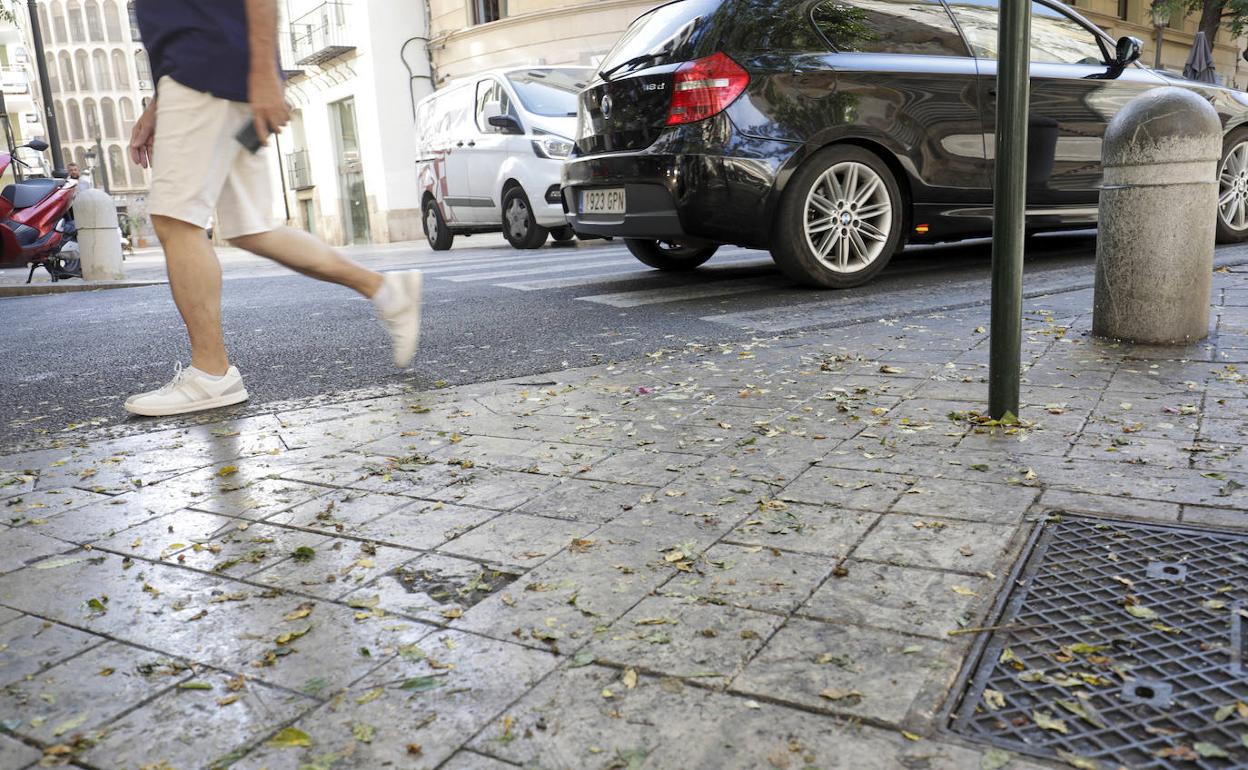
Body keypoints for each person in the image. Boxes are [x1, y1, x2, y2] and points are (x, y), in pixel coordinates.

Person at [125, 0, 422, 417]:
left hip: (205, 74)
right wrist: (161, 102)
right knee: (252, 227)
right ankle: (386, 290)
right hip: (211, 75)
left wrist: (265, 74)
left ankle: (212, 374)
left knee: (176, 220)